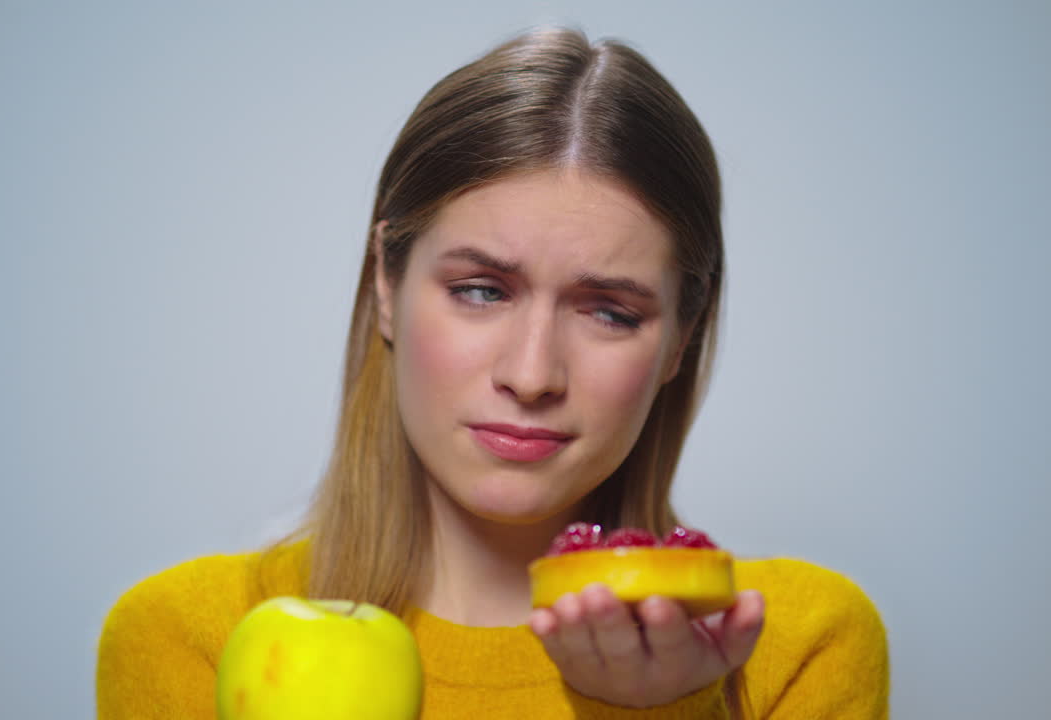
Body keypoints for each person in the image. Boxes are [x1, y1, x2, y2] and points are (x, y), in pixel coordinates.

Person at [96, 27, 889, 719]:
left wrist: (663, 712)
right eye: (481, 291)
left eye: (609, 311)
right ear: (385, 283)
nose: (533, 373)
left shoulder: (791, 645)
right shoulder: (193, 637)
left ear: (682, 336)